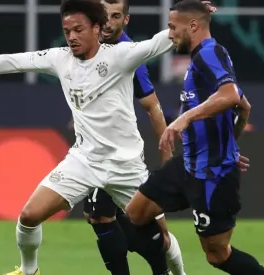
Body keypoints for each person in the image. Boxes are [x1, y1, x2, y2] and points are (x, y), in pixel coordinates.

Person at [0, 0, 179, 274]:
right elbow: (13, 61)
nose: (71, 36)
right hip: (84, 163)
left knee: (161, 236)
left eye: (79, 30)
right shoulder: (60, 58)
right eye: (67, 30)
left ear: (97, 28)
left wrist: (192, 17)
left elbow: (160, 41)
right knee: (28, 216)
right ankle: (29, 271)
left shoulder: (121, 56)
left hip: (126, 167)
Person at [125, 1, 264, 275]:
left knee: (217, 255)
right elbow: (245, 106)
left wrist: (185, 118)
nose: (170, 34)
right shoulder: (204, 58)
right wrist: (228, 144)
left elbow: (230, 96)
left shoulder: (209, 54)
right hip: (189, 165)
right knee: (136, 214)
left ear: (192, 25)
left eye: (172, 27)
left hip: (213, 174)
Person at [80, 0, 195, 274]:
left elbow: (152, 107)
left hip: (122, 156)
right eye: (104, 16)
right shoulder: (87, 44)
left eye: (115, 16)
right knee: (98, 215)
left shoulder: (128, 55)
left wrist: (167, 159)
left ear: (126, 20)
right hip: (94, 154)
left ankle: (172, 271)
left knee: (150, 225)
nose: (108, 22)